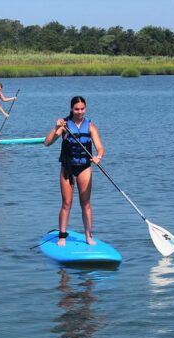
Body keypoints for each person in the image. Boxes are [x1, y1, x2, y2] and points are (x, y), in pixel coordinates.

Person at [44, 96, 105, 246]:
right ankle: (62, 236)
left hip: (84, 167)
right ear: (72, 109)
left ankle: (89, 237)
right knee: (67, 203)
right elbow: (47, 142)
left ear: (85, 108)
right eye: (76, 109)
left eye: (82, 109)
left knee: (86, 203)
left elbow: (100, 147)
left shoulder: (90, 126)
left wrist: (99, 157)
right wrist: (56, 127)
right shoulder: (64, 125)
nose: (79, 112)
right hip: (68, 168)